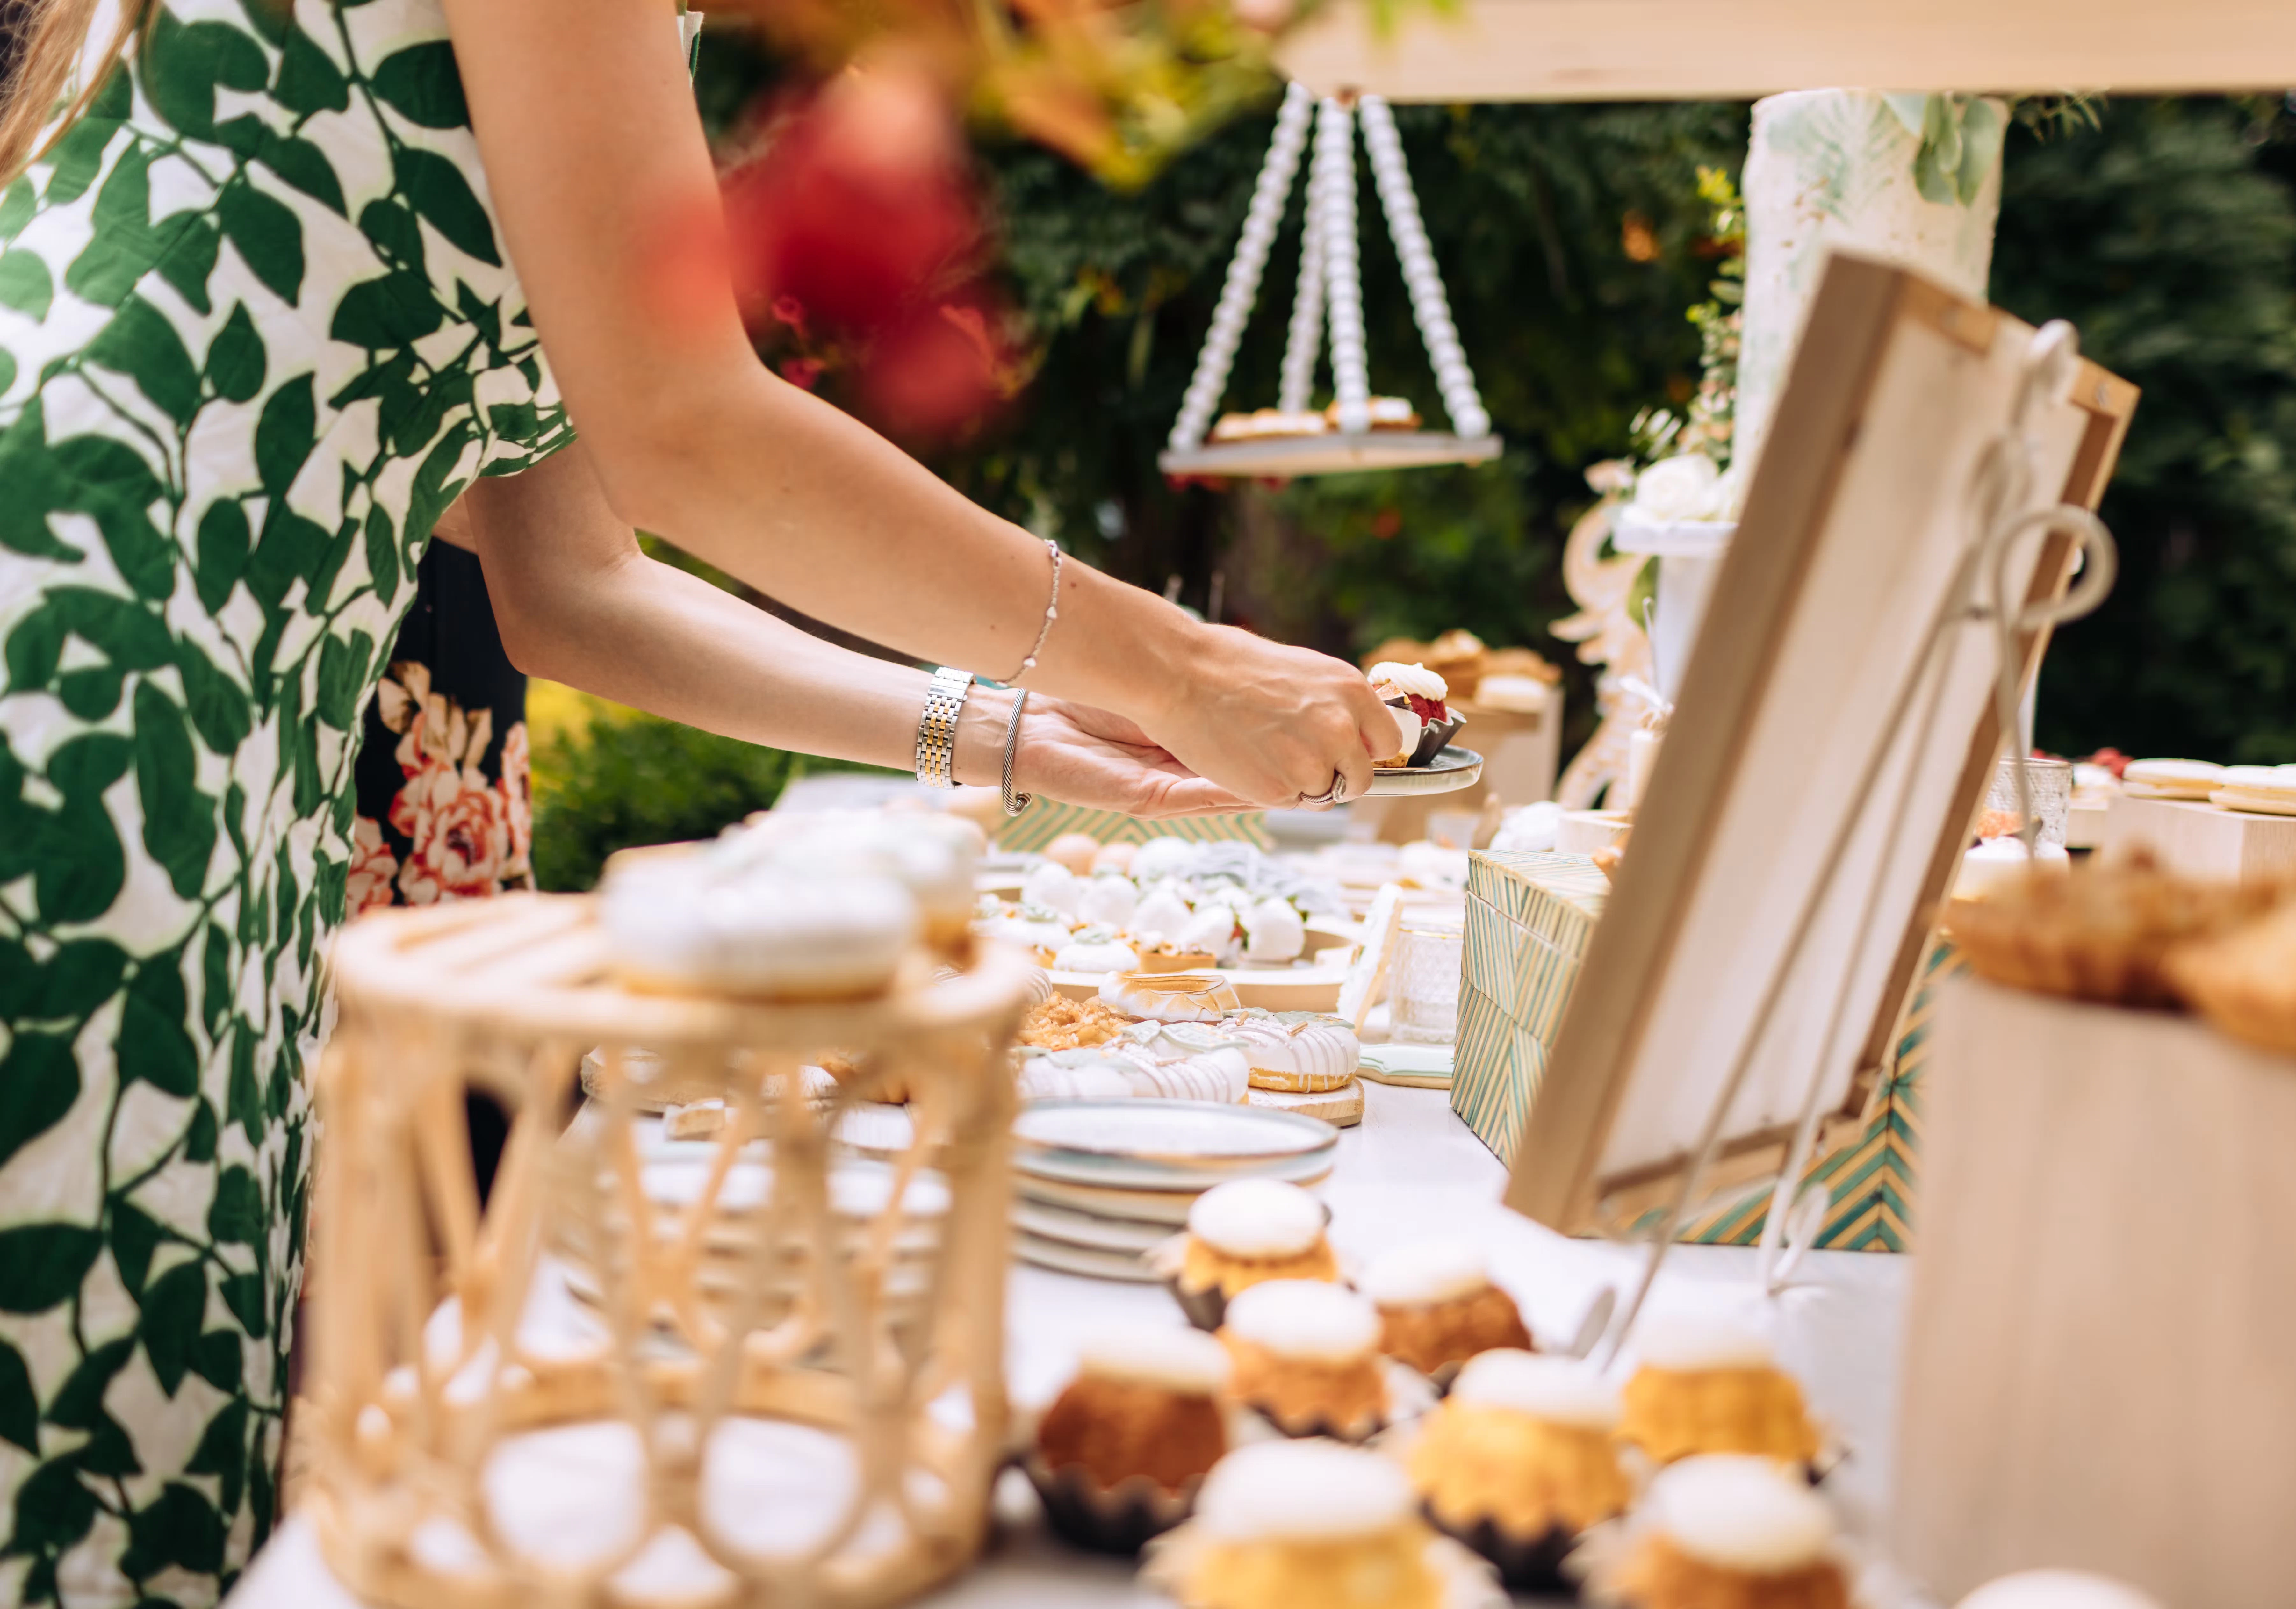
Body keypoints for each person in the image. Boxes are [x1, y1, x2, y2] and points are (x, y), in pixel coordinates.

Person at [0, 0, 1398, 1594]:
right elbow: (691, 432)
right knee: (90, 1430)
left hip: (210, 719)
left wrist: (1010, 726)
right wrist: (1184, 664)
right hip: (88, 657)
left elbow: (576, 585)